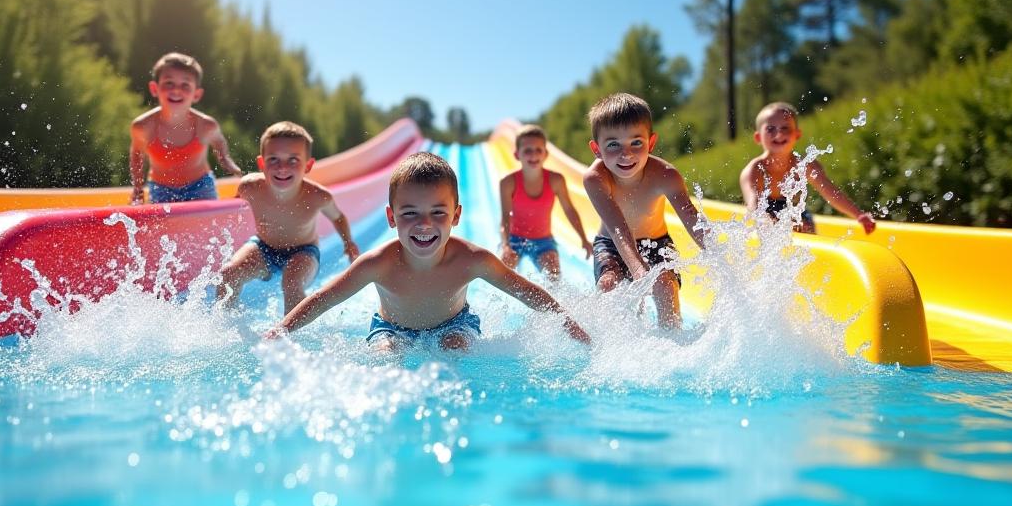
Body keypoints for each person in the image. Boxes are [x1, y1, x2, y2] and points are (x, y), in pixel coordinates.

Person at [269, 152, 591, 351]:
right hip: (391, 328)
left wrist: (569, 324)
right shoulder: (377, 264)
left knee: (456, 349)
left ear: (456, 216)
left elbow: (524, 291)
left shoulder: (472, 260)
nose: (424, 224)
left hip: (454, 325)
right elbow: (325, 298)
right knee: (386, 356)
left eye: (438, 213)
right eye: (410, 213)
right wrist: (281, 331)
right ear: (391, 218)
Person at [583, 92, 707, 329]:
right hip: (611, 242)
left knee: (665, 284)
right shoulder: (595, 179)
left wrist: (721, 257)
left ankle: (672, 337)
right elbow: (617, 228)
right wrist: (638, 268)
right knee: (609, 286)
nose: (626, 153)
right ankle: (615, 344)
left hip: (657, 241)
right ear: (596, 149)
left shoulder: (665, 175)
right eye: (613, 145)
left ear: (651, 143)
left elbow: (692, 219)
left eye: (636, 142)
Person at [218, 122, 361, 314]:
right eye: (273, 159)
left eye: (293, 160)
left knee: (292, 283)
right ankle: (225, 325)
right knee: (228, 274)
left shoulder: (318, 196)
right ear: (261, 163)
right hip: (263, 247)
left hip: (304, 252)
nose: (282, 168)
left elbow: (338, 217)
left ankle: (293, 335)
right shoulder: (250, 187)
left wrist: (347, 242)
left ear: (308, 165)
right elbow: (231, 209)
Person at [739, 102, 877, 235]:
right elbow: (754, 207)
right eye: (770, 129)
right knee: (768, 223)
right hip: (765, 213)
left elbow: (831, 193)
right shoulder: (754, 170)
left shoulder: (805, 164)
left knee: (804, 224)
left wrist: (858, 214)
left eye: (785, 128)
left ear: (797, 134)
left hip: (793, 211)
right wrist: (774, 224)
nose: (779, 134)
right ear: (758, 137)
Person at [129, 52, 242, 204]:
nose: (176, 90)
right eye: (169, 83)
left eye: (185, 85)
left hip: (200, 186)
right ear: (154, 88)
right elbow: (137, 154)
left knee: (209, 225)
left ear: (196, 94)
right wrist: (137, 187)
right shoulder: (143, 127)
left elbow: (219, 142)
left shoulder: (206, 126)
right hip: (161, 189)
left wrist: (227, 162)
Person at [498, 124, 594, 279]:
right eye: (527, 150)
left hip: (544, 241)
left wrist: (583, 238)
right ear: (517, 154)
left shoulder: (556, 180)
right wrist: (506, 245)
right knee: (502, 276)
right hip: (514, 239)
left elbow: (569, 210)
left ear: (545, 154)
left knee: (554, 278)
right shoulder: (508, 182)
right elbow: (505, 216)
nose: (533, 155)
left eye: (538, 150)